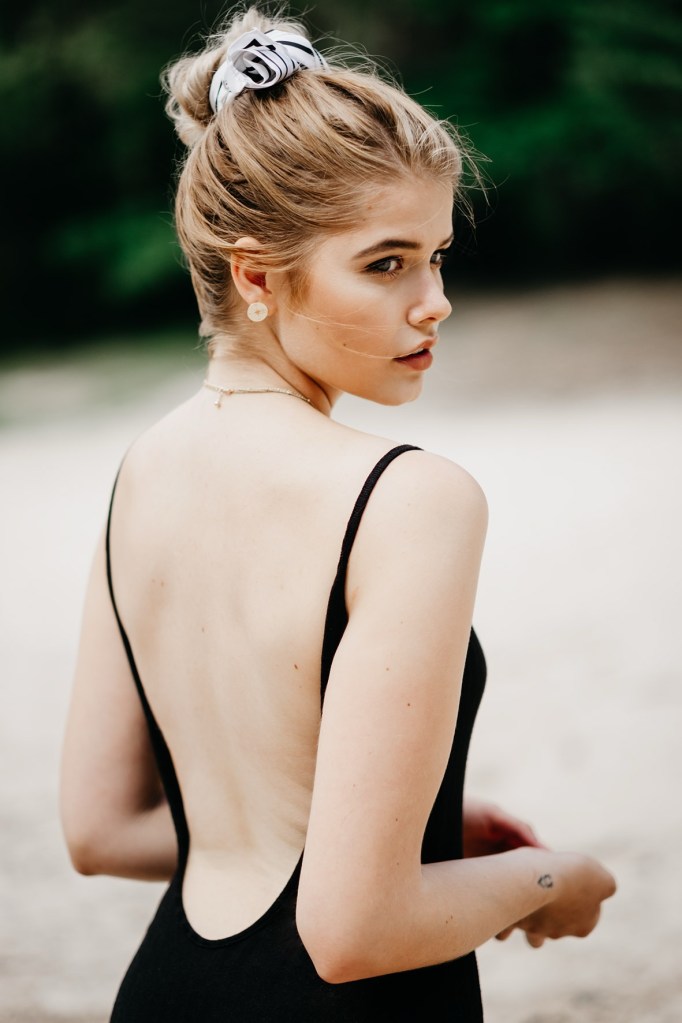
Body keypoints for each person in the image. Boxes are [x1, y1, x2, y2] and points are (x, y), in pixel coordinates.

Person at [59, 6, 616, 1020]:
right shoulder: (410, 498)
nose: (435, 300)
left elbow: (100, 831)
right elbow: (356, 932)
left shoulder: (140, 474)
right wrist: (552, 880)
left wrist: (402, 825)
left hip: (167, 991)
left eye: (437, 255)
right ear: (255, 275)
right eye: (386, 262)